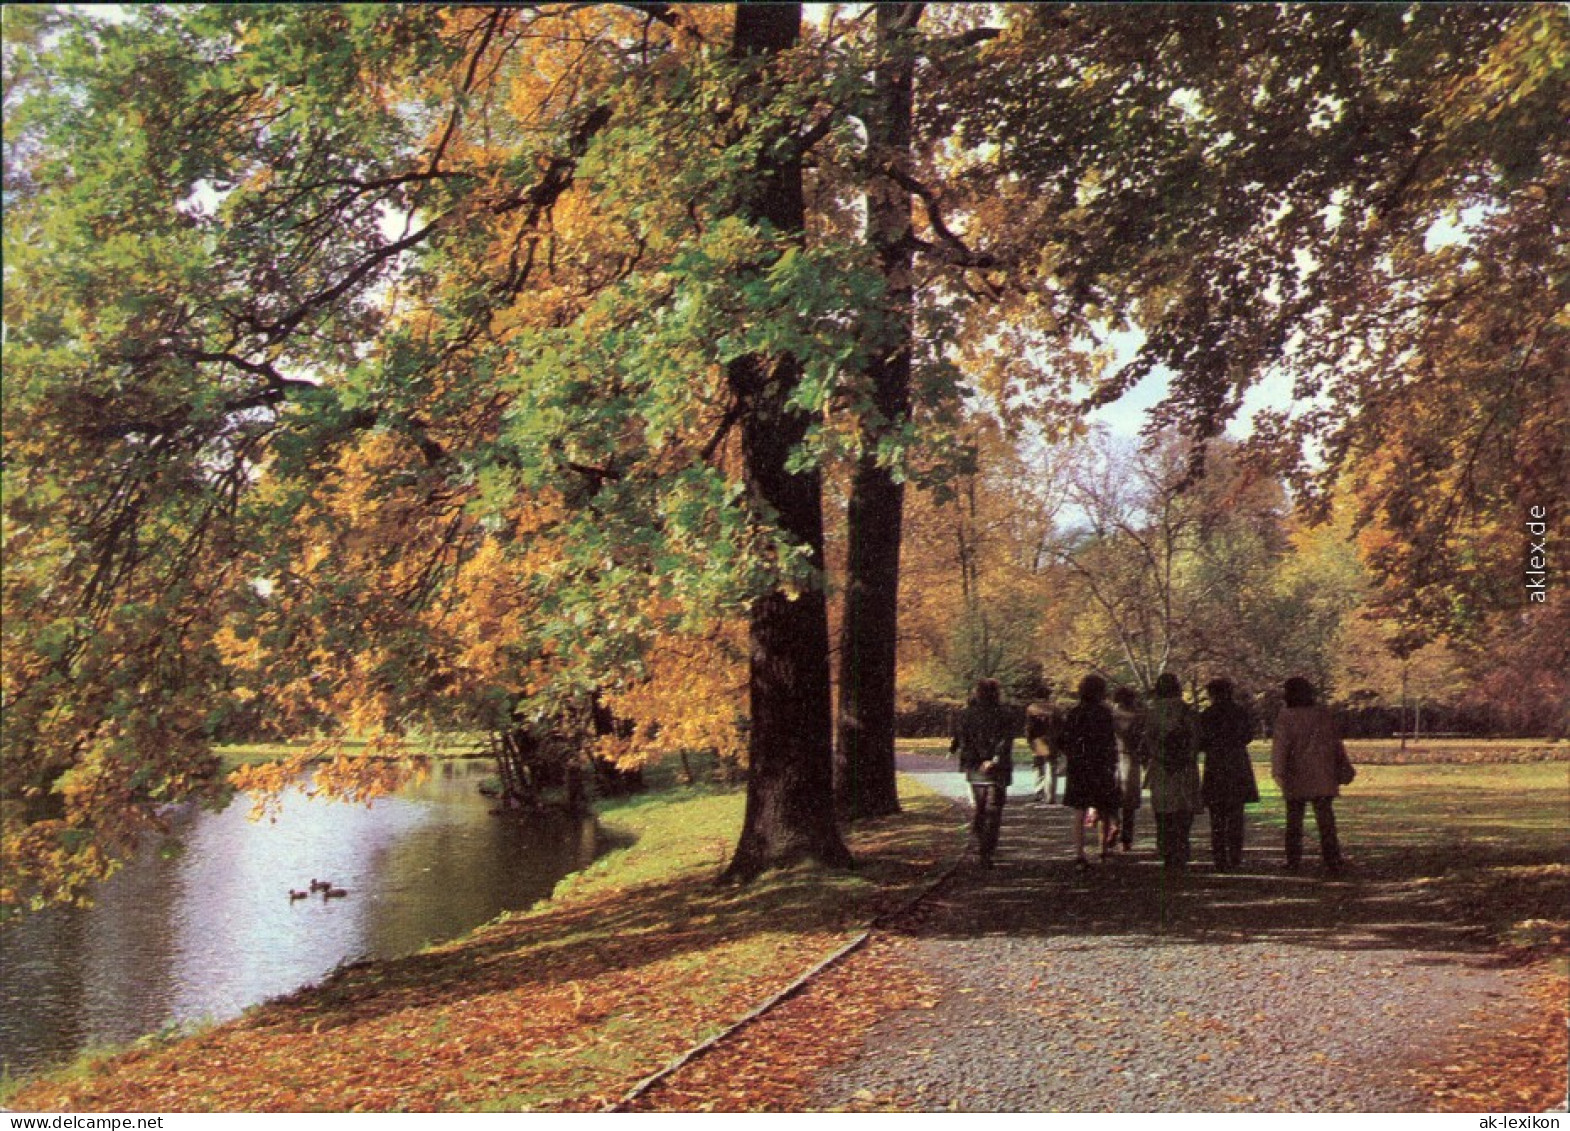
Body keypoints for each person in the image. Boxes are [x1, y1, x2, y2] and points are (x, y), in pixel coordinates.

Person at [1271, 676, 1347, 875]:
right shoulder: (1322, 714)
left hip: (1296, 773)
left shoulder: (1286, 716)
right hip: (1322, 772)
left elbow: (1281, 746)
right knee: (1325, 819)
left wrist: (1278, 771)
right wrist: (1341, 767)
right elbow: (1335, 742)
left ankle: (1293, 860)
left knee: (1294, 819)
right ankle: (1332, 859)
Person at [1197, 678, 1260, 871]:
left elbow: (1200, 741)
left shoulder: (1207, 714)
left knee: (1216, 815)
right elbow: (1248, 736)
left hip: (1215, 764)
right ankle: (1235, 855)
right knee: (1236, 813)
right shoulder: (1239, 712)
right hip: (1236, 763)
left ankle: (1219, 856)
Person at [952, 678, 1015, 867]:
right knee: (994, 809)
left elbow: (964, 742)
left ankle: (982, 846)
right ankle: (987, 850)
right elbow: (1006, 741)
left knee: (980, 808)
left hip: (975, 767)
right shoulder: (1006, 714)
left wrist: (977, 760)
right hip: (998, 768)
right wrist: (994, 759)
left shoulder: (966, 715)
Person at [1142, 672, 1202, 870]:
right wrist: (1187, 757)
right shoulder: (1188, 712)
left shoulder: (1152, 713)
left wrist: (1160, 756)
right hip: (1185, 767)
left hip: (1162, 767)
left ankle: (1167, 850)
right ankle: (1182, 846)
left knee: (1163, 810)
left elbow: (1149, 742)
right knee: (1184, 809)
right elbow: (1195, 740)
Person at [1060, 674, 1121, 866]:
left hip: (1079, 765)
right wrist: (1112, 763)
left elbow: (1064, 740)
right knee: (1102, 806)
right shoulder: (1105, 714)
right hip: (1100, 764)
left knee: (1079, 809)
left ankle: (1079, 853)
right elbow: (1110, 741)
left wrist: (1071, 755)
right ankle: (1102, 850)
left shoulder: (1074, 713)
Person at [1110, 686, 1146, 851]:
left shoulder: (1111, 715)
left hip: (1112, 758)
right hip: (1131, 759)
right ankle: (1126, 839)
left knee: (1111, 798)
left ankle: (1114, 824)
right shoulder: (1140, 716)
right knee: (1129, 803)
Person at [1024, 681, 1064, 804]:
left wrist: (1029, 740)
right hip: (1052, 740)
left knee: (1038, 767)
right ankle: (1050, 795)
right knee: (1051, 768)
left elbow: (1029, 727)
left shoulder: (1032, 708)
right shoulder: (1056, 709)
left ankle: (1038, 792)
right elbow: (1061, 726)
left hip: (1037, 741)